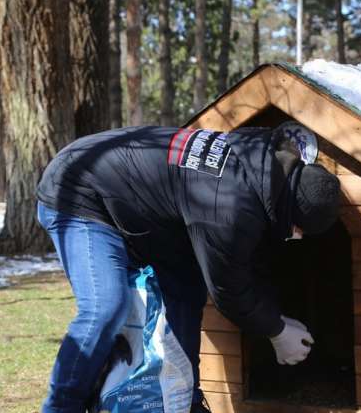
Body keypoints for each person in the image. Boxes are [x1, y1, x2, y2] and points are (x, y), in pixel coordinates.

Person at [35, 123, 341, 413]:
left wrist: (274, 318)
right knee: (106, 306)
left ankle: (185, 400)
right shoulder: (229, 207)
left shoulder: (259, 159)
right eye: (299, 229)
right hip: (76, 190)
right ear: (290, 211)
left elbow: (244, 262)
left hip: (137, 204)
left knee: (186, 289)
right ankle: (62, 406)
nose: (296, 237)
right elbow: (228, 290)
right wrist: (277, 331)